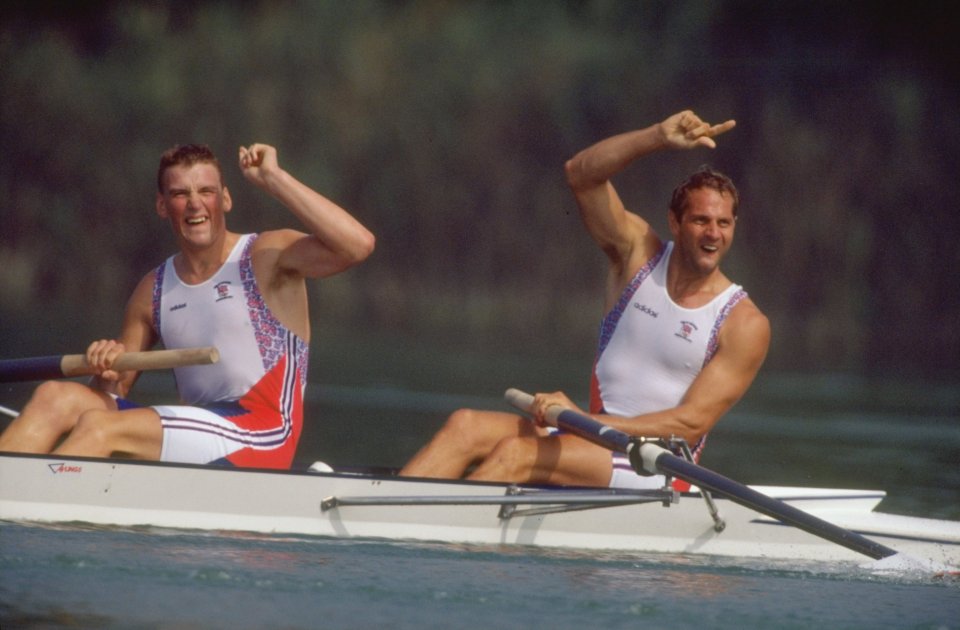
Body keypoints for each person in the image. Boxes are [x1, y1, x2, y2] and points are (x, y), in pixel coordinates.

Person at [400, 110, 770, 489]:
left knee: (517, 453)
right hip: (591, 440)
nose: (713, 234)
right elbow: (581, 174)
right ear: (675, 222)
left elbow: (690, 425)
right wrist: (657, 136)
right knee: (465, 426)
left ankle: (433, 533)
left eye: (723, 223)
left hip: (657, 466)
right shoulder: (637, 255)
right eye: (700, 221)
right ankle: (379, 524)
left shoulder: (743, 322)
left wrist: (581, 420)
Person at [0, 143, 375, 468]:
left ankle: (45, 504)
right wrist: (106, 367)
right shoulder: (153, 290)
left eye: (206, 191)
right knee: (55, 398)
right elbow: (112, 392)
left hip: (263, 432)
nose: (195, 203)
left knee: (99, 428)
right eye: (180, 194)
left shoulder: (267, 255)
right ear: (163, 206)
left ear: (224, 199)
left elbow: (358, 245)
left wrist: (274, 178)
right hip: (200, 428)